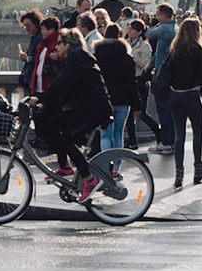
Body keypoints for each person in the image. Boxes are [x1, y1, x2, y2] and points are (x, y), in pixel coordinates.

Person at [34, 29, 112, 201]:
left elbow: (63, 83)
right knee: (52, 125)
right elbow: (64, 87)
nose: (56, 47)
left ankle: (89, 179)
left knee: (67, 138)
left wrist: (39, 98)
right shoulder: (75, 59)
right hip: (83, 106)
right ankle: (66, 167)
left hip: (93, 109)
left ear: (68, 44)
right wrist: (44, 104)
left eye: (59, 43)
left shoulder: (77, 58)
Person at [163, 15, 202, 187]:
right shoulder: (198, 49)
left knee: (179, 135)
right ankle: (198, 168)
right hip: (192, 95)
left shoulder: (174, 49)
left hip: (175, 95)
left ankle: (179, 173)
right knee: (197, 132)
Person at [93, 23, 139, 152]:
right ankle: (116, 167)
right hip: (122, 98)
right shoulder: (127, 58)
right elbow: (131, 83)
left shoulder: (97, 56)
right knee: (118, 134)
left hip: (103, 98)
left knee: (105, 134)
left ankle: (106, 164)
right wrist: (136, 105)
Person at [146, 3, 178, 155]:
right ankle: (170, 140)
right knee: (168, 109)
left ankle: (166, 141)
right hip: (170, 72)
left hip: (162, 74)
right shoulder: (174, 28)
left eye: (157, 14)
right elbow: (161, 50)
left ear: (164, 15)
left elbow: (149, 33)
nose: (155, 16)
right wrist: (151, 62)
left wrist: (154, 22)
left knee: (162, 108)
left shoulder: (165, 28)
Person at [124, 18, 153, 149]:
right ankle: (132, 140)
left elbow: (144, 64)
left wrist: (131, 55)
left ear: (139, 31)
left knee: (140, 113)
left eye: (132, 29)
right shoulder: (125, 43)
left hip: (140, 81)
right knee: (129, 114)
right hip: (128, 80)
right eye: (128, 28)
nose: (129, 31)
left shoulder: (145, 46)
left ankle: (158, 131)